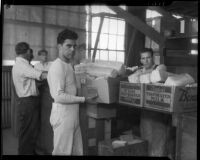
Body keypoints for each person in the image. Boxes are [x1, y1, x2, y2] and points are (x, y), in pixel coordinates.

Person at [47, 28, 97, 155]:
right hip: (63, 115)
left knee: (76, 151)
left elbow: (71, 89)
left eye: (74, 46)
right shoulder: (57, 66)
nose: (73, 49)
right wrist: (83, 99)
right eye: (68, 46)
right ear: (59, 46)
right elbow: (58, 96)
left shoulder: (68, 65)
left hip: (72, 114)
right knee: (62, 152)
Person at [127, 48, 173, 157]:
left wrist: (140, 73)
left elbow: (156, 73)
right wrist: (138, 73)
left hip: (160, 111)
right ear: (141, 60)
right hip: (146, 112)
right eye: (143, 58)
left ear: (152, 58)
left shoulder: (160, 67)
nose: (146, 61)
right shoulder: (139, 71)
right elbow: (131, 79)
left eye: (148, 58)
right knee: (146, 139)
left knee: (160, 142)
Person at [12, 42, 47, 155]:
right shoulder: (22, 65)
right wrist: (56, 73)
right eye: (29, 52)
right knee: (27, 133)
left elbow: (30, 81)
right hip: (28, 102)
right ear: (27, 52)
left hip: (27, 102)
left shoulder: (20, 64)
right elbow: (40, 75)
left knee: (29, 131)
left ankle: (30, 151)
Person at [34, 49, 54, 155]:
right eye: (42, 56)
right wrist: (44, 75)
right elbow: (38, 77)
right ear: (39, 56)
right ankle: (40, 143)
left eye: (46, 56)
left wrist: (43, 75)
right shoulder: (36, 66)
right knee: (40, 116)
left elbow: (51, 75)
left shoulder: (51, 64)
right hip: (40, 92)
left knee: (48, 116)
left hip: (49, 91)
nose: (45, 58)